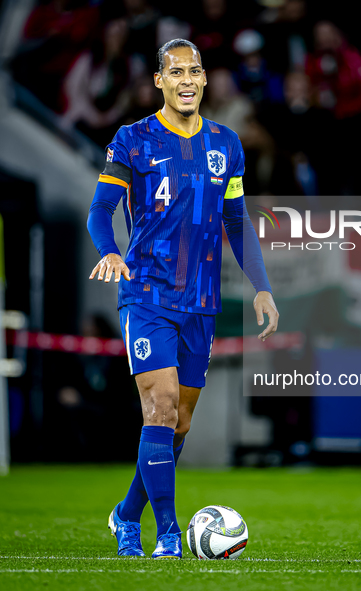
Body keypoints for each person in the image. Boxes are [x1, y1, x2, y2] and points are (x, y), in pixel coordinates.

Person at [87, 38, 279, 559]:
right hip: (146, 295)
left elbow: (236, 222)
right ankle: (167, 534)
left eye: (195, 71)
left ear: (204, 79)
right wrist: (111, 252)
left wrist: (261, 286)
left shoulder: (226, 143)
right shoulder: (132, 139)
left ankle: (126, 513)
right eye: (177, 72)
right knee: (161, 407)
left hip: (202, 301)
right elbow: (100, 210)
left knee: (179, 422)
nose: (188, 80)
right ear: (159, 82)